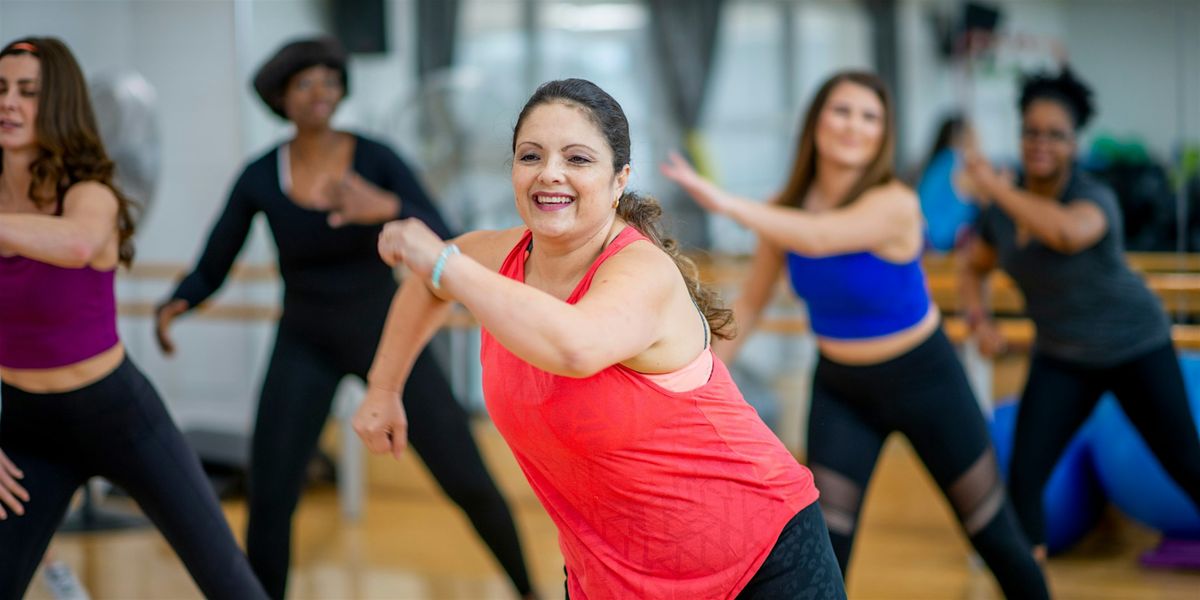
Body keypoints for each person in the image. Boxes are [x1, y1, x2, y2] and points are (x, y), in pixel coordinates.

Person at [354, 78, 845, 599]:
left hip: (762, 561)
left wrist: (445, 263)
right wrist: (385, 387)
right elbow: (425, 287)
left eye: (578, 159)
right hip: (611, 576)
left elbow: (576, 346)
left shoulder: (641, 272)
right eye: (530, 156)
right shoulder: (497, 257)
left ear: (619, 180)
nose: (550, 173)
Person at [153, 37, 533, 599]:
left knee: (464, 473)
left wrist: (382, 208)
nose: (320, 92)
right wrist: (178, 302)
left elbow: (441, 226)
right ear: (282, 98)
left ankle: (528, 589)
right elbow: (217, 256)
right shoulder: (261, 175)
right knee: (271, 493)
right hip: (303, 340)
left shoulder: (375, 157)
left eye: (330, 80)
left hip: (386, 333)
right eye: (305, 83)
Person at [660, 70, 1049, 598]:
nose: (853, 126)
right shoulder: (783, 209)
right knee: (825, 555)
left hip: (927, 381)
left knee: (996, 537)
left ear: (882, 134)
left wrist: (728, 204)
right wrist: (695, 385)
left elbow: (820, 237)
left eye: (870, 117)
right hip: (843, 394)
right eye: (841, 111)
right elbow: (749, 306)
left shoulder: (894, 204)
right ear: (817, 120)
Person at [0, 36, 267, 599]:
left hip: (118, 414)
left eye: (27, 91)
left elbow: (76, 244)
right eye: (0, 90)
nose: (8, 103)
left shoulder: (90, 193)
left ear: (58, 104)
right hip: (25, 426)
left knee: (230, 583)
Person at [960, 66, 1200, 561]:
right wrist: (978, 321)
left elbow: (1065, 234)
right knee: (1024, 478)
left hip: (1135, 346)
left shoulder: (1095, 198)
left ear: (1074, 144)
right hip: (1062, 357)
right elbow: (973, 268)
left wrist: (995, 187)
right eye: (1031, 131)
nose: (1041, 143)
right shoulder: (999, 216)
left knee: (1186, 464)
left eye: (1055, 134)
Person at [915, 113, 981, 252]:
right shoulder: (959, 162)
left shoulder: (936, 162)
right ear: (963, 138)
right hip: (940, 246)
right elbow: (987, 198)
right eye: (974, 134)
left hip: (923, 241)